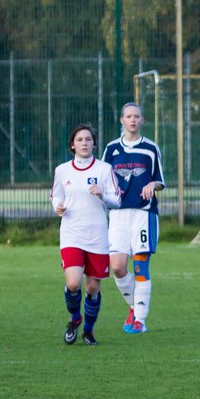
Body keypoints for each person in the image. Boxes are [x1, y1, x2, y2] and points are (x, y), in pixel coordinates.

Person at [50, 124, 122, 346]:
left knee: (92, 287)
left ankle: (88, 331)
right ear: (72, 144)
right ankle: (75, 319)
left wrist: (103, 196)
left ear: (94, 143)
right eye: (80, 139)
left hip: (97, 235)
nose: (84, 143)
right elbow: (55, 196)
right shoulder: (62, 170)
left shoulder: (104, 169)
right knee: (73, 284)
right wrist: (57, 207)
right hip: (71, 233)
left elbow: (117, 201)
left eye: (88, 139)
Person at [102, 102, 166, 334]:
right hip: (118, 215)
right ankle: (134, 306)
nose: (132, 120)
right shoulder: (111, 149)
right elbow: (103, 178)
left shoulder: (150, 148)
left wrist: (152, 183)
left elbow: (160, 180)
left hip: (143, 214)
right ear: (121, 120)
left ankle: (140, 320)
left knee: (140, 267)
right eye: (128, 116)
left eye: (136, 116)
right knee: (117, 267)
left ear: (142, 120)